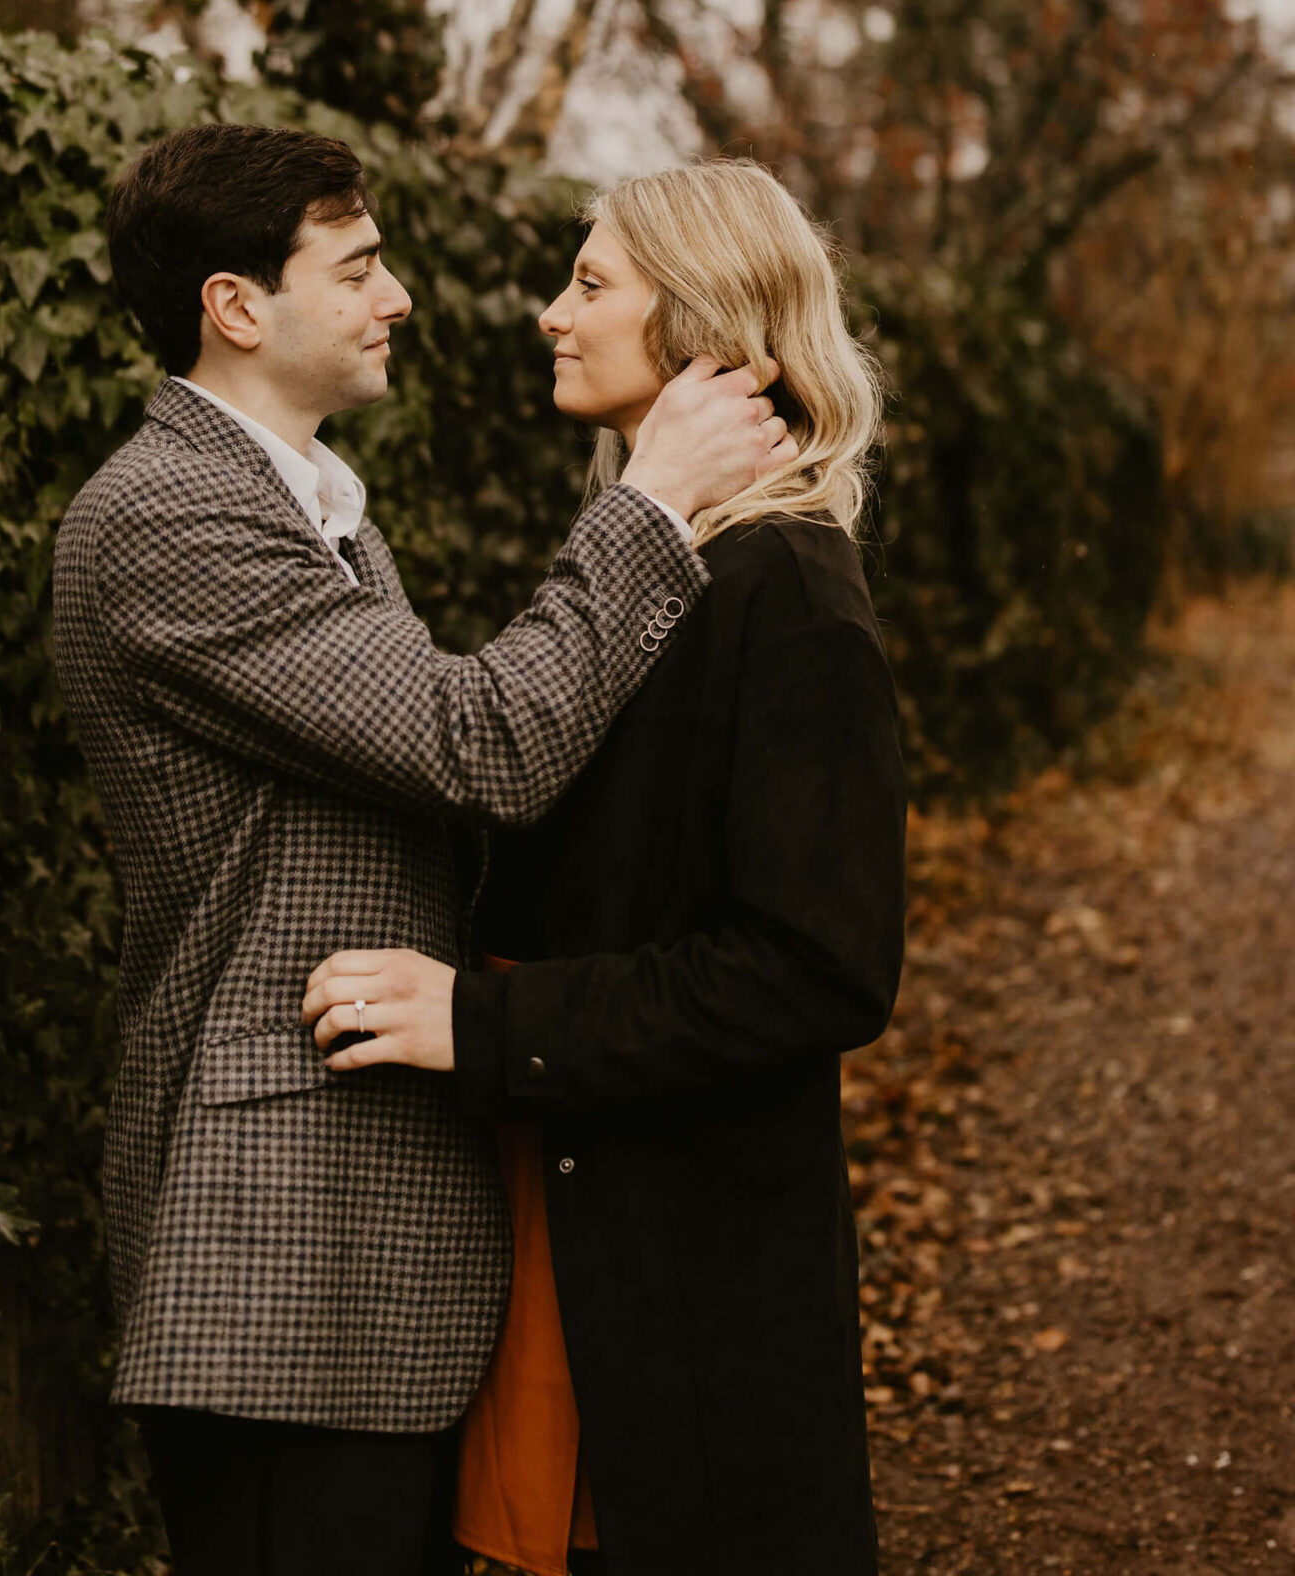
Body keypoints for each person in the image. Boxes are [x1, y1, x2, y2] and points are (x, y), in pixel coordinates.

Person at [52, 124, 794, 1576]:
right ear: (239, 306)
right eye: (360, 266)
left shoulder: (314, 510)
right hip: (281, 1254)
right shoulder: (170, 517)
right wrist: (653, 499)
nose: (399, 299)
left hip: (363, 1240)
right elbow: (480, 747)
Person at [302, 159, 909, 1576]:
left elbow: (818, 968)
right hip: (571, 1218)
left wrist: (483, 1023)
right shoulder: (662, 568)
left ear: (703, 327)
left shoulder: (790, 591)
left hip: (685, 1270)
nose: (547, 315)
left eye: (590, 284)